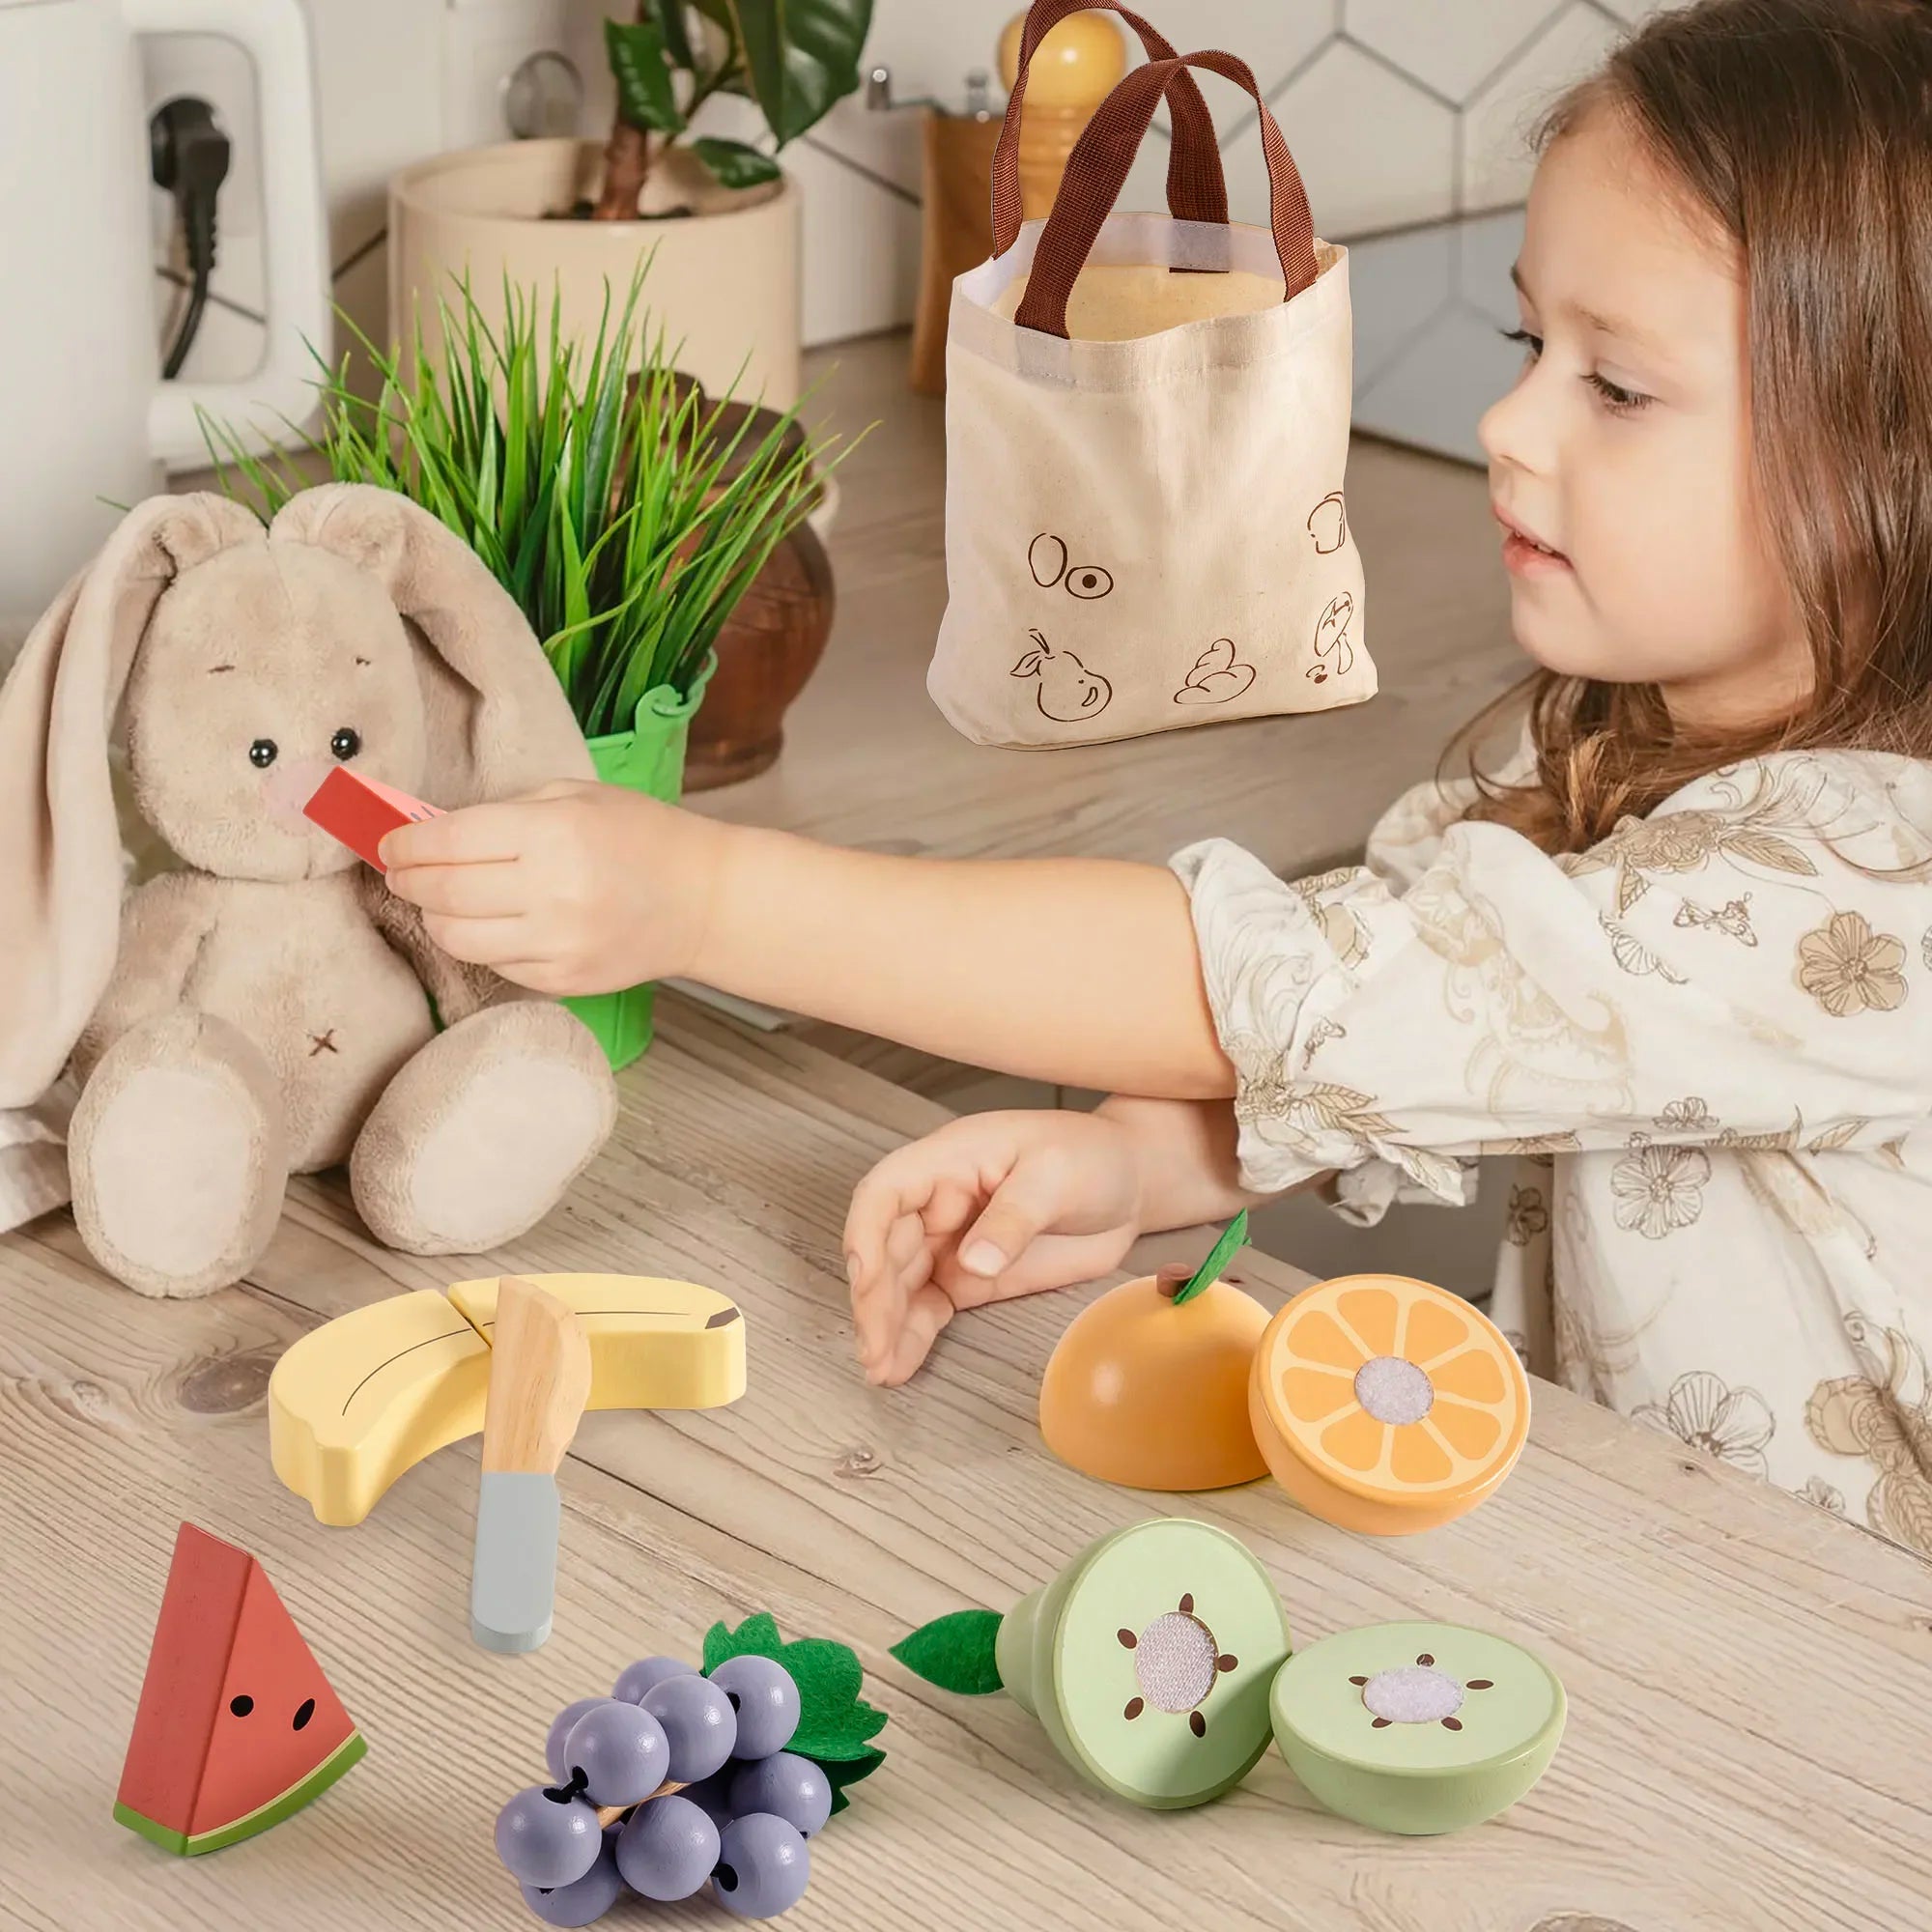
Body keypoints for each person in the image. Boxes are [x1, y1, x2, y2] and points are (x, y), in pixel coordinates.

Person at [384, 0, 1932, 1552]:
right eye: (1533, 344)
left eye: (1618, 387)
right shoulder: (1616, 734)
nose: (1505, 421)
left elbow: (1265, 988)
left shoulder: (1867, 885)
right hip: (1680, 1598)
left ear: (1891, 460)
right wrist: (1142, 1160)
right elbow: (1419, 1021)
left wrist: (698, 893)